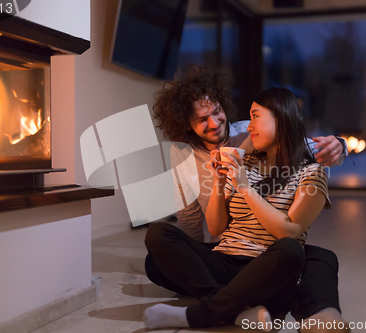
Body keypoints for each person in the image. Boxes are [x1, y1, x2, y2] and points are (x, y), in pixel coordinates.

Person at [146, 67, 348, 332]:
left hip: (270, 253)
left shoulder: (249, 139)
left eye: (217, 112)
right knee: (158, 252)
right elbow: (203, 223)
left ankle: (208, 312)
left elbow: (304, 149)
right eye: (202, 119)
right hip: (228, 248)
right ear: (187, 125)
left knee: (307, 254)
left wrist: (340, 146)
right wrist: (189, 257)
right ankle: (237, 308)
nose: (216, 123)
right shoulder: (202, 154)